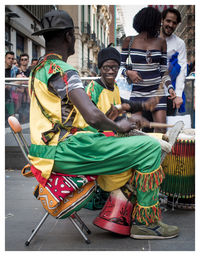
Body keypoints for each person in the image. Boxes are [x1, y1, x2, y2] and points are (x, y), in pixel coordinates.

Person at [29, 9, 179, 239]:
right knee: (149, 147)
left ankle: (118, 212)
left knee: (134, 145)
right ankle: (146, 224)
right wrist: (120, 126)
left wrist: (120, 122)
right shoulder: (63, 70)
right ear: (70, 36)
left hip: (47, 150)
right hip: (64, 150)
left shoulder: (38, 69)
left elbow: (83, 117)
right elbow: (91, 115)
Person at [121, 7, 171, 134]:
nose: (160, 25)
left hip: (156, 91)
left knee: (161, 129)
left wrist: (170, 88)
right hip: (136, 92)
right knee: (135, 129)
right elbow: (119, 67)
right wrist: (128, 72)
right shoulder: (129, 41)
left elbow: (163, 71)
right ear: (150, 22)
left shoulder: (161, 42)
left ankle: (157, 153)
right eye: (157, 22)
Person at [160, 7, 187, 115]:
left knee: (167, 130)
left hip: (169, 94)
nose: (170, 25)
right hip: (149, 93)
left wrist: (179, 94)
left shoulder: (179, 43)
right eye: (168, 21)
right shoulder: (151, 38)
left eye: (174, 23)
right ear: (162, 20)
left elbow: (182, 69)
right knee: (146, 129)